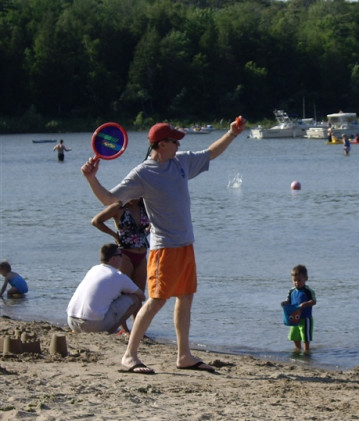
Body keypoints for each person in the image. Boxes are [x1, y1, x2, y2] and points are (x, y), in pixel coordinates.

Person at [80, 117, 245, 374]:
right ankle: (129, 355)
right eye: (174, 141)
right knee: (157, 300)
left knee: (186, 297)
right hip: (163, 248)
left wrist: (232, 134)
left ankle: (184, 355)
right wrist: (92, 179)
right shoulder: (143, 173)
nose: (179, 144)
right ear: (161, 144)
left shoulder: (180, 162)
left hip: (185, 245)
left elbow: (211, 152)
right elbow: (109, 199)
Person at [66, 244, 144, 335]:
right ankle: (111, 331)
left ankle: (78, 329)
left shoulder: (93, 269)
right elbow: (141, 296)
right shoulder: (118, 276)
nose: (122, 258)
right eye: (120, 255)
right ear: (113, 259)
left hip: (71, 321)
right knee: (134, 299)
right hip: (93, 325)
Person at [91, 198, 149, 292]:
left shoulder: (145, 206)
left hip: (142, 254)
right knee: (123, 292)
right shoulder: (119, 207)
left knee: (139, 294)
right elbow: (96, 221)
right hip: (125, 253)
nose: (135, 196)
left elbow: (158, 219)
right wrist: (114, 235)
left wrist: (146, 233)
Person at [281, 264, 316, 354]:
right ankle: (297, 349)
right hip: (294, 317)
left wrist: (306, 304)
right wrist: (285, 303)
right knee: (294, 335)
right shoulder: (292, 291)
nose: (297, 283)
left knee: (305, 336)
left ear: (306, 279)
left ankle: (306, 350)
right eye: (294, 280)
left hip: (305, 318)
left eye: (299, 280)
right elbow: (289, 300)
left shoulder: (308, 291)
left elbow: (314, 301)